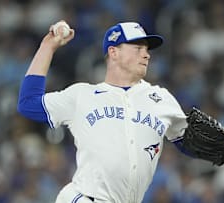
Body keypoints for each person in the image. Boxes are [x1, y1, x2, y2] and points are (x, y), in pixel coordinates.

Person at [18, 21, 191, 203]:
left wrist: (222, 150)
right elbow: (28, 103)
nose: (146, 55)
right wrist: (47, 47)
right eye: (138, 48)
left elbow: (192, 143)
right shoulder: (83, 95)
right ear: (113, 52)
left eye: (147, 49)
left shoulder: (162, 99)